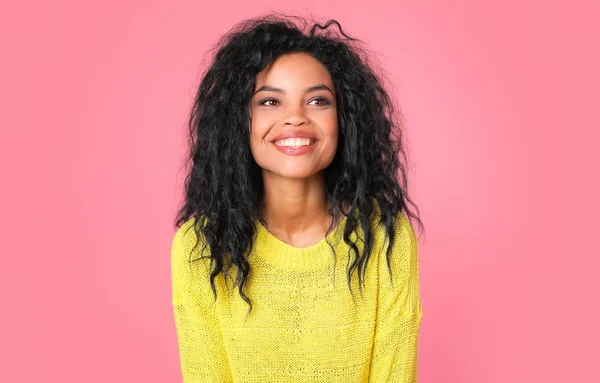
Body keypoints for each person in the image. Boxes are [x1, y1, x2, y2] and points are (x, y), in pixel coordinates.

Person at [171, 12, 425, 382]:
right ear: (238, 122)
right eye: (270, 102)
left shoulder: (385, 238)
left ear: (346, 119)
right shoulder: (200, 247)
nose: (295, 119)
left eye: (318, 101)